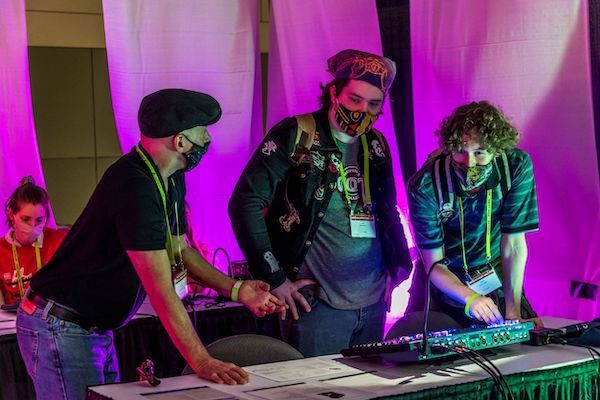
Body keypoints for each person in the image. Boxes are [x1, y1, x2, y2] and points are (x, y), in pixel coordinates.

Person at [16, 88, 284, 400]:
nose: (208, 139)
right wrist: (201, 360)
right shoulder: (135, 186)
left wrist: (237, 290)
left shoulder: (169, 176)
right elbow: (159, 289)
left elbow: (180, 249)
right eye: (204, 131)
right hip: (61, 326)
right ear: (181, 141)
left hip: (89, 329)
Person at [229, 49, 412, 357]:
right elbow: (245, 202)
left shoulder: (376, 144)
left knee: (368, 390)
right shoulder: (297, 133)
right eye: (355, 100)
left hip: (372, 300)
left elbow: (388, 211)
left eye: (374, 104)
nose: (363, 111)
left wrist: (398, 268)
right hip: (317, 304)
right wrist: (274, 278)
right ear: (334, 93)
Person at [405, 101, 542, 328]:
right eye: (460, 151)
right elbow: (433, 263)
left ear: (497, 150)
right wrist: (470, 298)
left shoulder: (515, 166)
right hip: (442, 280)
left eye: (479, 153)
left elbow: (514, 244)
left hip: (495, 275)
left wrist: (513, 312)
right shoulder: (425, 185)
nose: (469, 163)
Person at [0, 177, 66, 306]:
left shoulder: (60, 241)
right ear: (11, 214)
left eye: (39, 220)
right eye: (26, 219)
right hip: (11, 322)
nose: (32, 226)